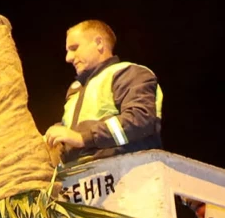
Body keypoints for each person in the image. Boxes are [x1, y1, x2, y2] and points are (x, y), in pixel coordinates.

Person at [44, 19, 162, 164]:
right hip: (83, 177)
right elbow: (71, 134)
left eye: (74, 48)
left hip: (132, 171)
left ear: (99, 43)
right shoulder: (76, 90)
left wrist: (83, 138)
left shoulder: (129, 73)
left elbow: (140, 120)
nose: (68, 58)